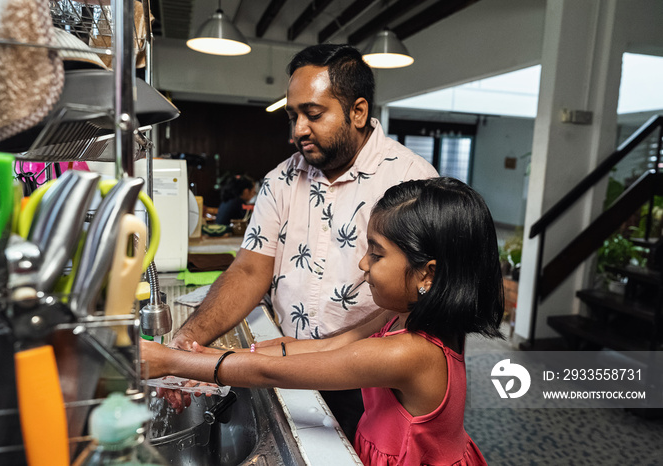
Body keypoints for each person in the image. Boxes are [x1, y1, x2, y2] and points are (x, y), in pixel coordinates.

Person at [163, 44, 438, 435]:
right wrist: (188, 340)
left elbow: (417, 299)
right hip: (288, 357)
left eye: (313, 114)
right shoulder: (281, 179)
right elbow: (249, 268)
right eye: (293, 115)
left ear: (358, 112)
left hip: (371, 379)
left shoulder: (410, 183)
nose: (298, 130)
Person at [142, 178, 504, 466]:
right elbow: (325, 345)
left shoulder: (409, 353)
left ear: (427, 274)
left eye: (376, 254)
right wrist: (211, 357)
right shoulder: (399, 316)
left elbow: (271, 373)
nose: (363, 264)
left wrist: (171, 360)